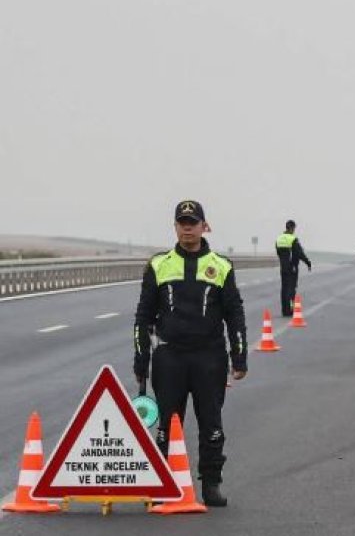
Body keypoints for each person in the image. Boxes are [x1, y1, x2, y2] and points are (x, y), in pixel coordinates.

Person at [133, 200, 247, 507]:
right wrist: (141, 360)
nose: (187, 228)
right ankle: (163, 485)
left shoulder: (221, 266)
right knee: (168, 423)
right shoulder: (158, 265)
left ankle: (211, 483)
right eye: (182, 222)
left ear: (203, 226)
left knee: (211, 422)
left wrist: (240, 357)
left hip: (209, 356)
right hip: (170, 357)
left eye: (192, 222)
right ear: (175, 227)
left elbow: (234, 314)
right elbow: (143, 316)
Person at [275, 220, 311, 316]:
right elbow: (299, 253)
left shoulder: (279, 239)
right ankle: (290, 310)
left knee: (284, 288)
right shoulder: (293, 239)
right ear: (292, 228)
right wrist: (307, 262)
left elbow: (278, 252)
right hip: (292, 267)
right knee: (291, 289)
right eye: (294, 228)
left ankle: (284, 310)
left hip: (283, 267)